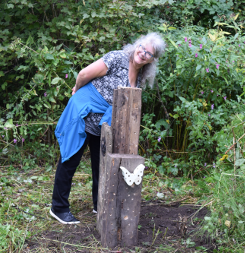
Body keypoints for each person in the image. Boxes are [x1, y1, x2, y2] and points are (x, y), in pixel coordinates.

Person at [50, 32, 166, 224]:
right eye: (142, 48)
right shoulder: (117, 58)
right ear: (137, 45)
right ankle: (59, 208)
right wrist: (77, 91)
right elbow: (84, 74)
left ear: (152, 60)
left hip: (104, 126)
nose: (143, 53)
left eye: (149, 53)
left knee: (101, 166)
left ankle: (100, 205)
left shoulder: (141, 77)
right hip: (84, 115)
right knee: (69, 159)